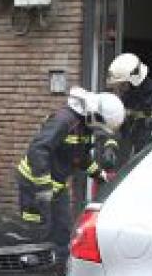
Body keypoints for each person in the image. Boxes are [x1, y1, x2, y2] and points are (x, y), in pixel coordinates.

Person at [16, 87, 124, 262]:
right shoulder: (64, 121)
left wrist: (100, 175)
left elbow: (79, 157)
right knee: (37, 232)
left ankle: (58, 272)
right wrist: (43, 187)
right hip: (34, 185)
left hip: (57, 186)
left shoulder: (85, 128)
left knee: (63, 232)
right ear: (95, 115)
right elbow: (38, 149)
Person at [104, 53, 152, 167]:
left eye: (122, 84)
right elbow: (117, 126)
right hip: (132, 160)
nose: (120, 89)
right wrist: (110, 147)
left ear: (134, 81)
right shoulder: (127, 98)